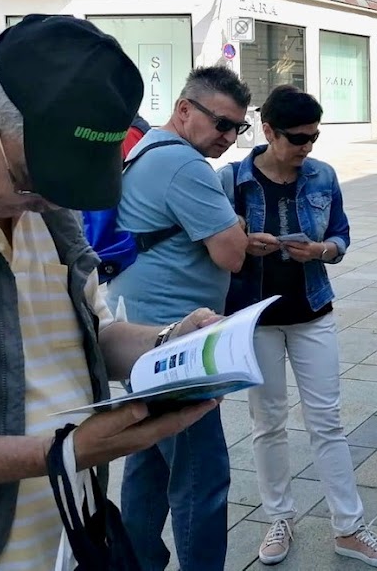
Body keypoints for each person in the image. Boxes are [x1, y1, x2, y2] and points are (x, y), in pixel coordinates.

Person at [0, 15, 222, 571]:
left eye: (68, 183)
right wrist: (62, 452)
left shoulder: (50, 217)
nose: (47, 198)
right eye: (32, 175)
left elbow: (87, 335)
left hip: (74, 537)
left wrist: (167, 343)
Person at [220, 86, 377, 568]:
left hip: (312, 309)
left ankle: (349, 527)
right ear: (269, 131)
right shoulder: (232, 180)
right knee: (268, 422)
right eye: (297, 138)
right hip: (255, 318)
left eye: (314, 137)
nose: (307, 147)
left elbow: (340, 233)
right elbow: (212, 248)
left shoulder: (323, 175)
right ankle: (279, 516)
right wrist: (242, 241)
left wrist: (321, 251)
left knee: (328, 421)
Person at [110, 66, 254, 571]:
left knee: (147, 462)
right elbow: (232, 255)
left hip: (141, 334)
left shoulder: (145, 148)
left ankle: (139, 561)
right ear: (184, 110)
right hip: (179, 343)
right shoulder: (184, 165)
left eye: (239, 128)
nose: (230, 138)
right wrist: (232, 225)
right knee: (201, 475)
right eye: (221, 124)